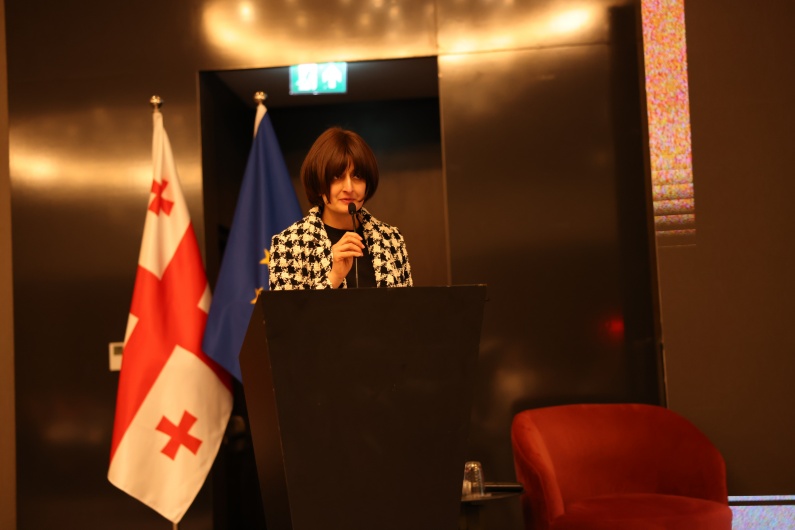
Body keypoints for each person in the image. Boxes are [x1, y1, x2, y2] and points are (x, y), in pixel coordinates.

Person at [269, 127, 413, 290]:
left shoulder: (391, 240)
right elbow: (288, 308)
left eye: (357, 176)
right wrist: (333, 277)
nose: (349, 188)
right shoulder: (288, 245)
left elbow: (406, 305)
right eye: (337, 176)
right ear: (318, 183)